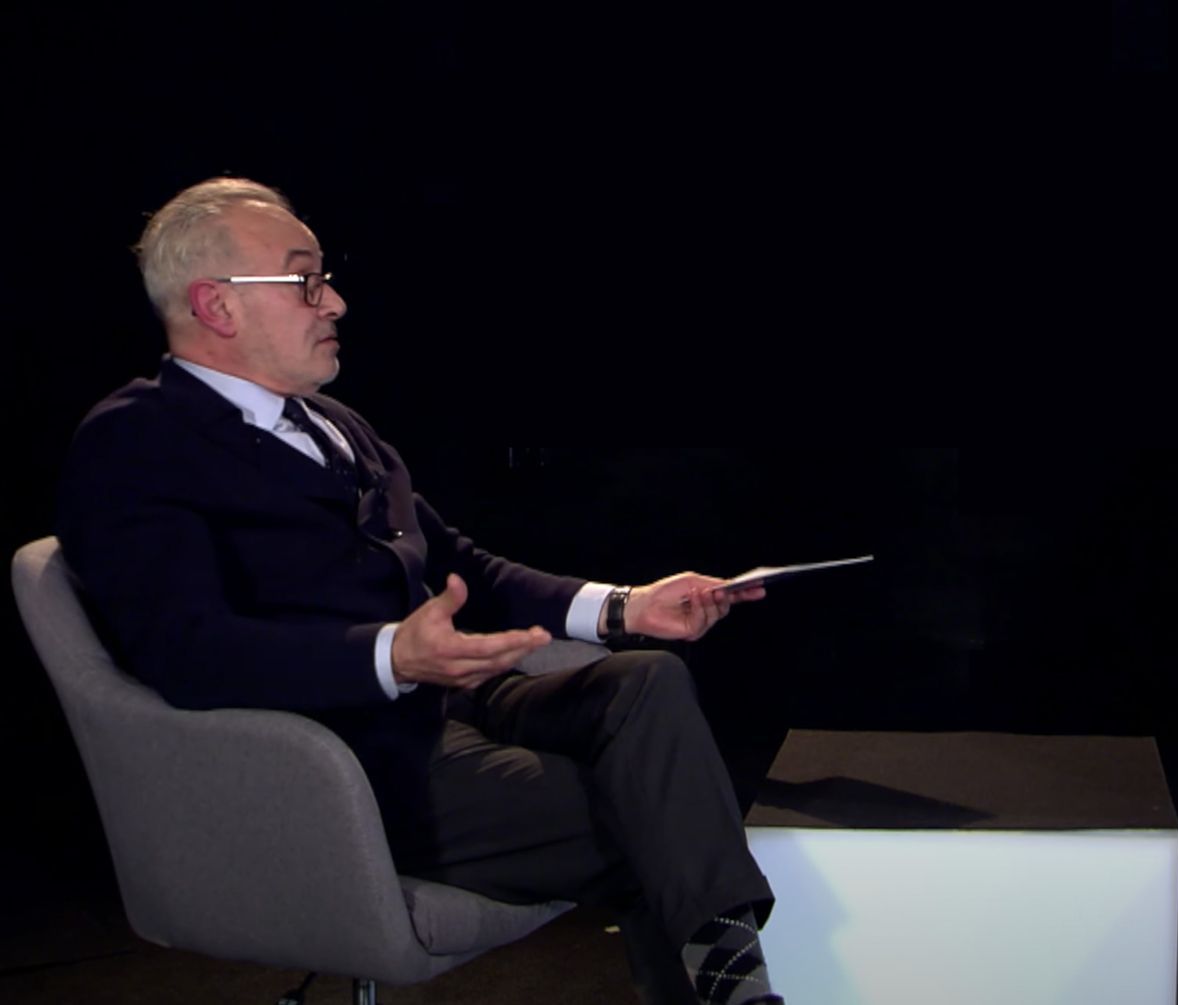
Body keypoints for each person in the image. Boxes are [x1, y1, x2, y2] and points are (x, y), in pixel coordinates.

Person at [56, 178, 783, 1005]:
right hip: (346, 771)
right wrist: (390, 655)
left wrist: (626, 606)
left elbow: (460, 561)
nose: (335, 302)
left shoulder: (334, 422)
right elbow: (188, 652)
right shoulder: (135, 443)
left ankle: (726, 988)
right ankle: (735, 991)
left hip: (450, 711)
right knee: (667, 819)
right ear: (216, 305)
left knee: (645, 681)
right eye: (305, 281)